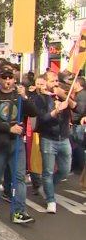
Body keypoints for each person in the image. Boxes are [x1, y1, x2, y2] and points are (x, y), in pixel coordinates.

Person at [0, 67, 38, 224]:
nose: (7, 81)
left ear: (14, 79)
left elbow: (34, 112)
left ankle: (19, 211)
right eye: (4, 78)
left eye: (10, 78)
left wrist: (25, 97)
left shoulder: (18, 96)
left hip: (16, 143)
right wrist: (9, 128)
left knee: (19, 177)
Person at [34, 71, 75, 214]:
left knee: (65, 170)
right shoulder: (40, 99)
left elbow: (77, 107)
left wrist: (64, 96)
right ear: (45, 83)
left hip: (63, 138)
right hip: (48, 138)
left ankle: (46, 187)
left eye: (57, 80)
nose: (56, 83)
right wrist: (56, 111)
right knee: (48, 171)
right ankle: (50, 199)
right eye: (52, 81)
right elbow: (42, 118)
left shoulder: (61, 94)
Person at [70, 77, 86, 174]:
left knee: (79, 145)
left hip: (79, 124)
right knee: (75, 145)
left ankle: (80, 167)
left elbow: (81, 109)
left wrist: (74, 119)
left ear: (78, 83)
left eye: (74, 83)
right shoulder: (78, 94)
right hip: (76, 124)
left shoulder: (83, 95)